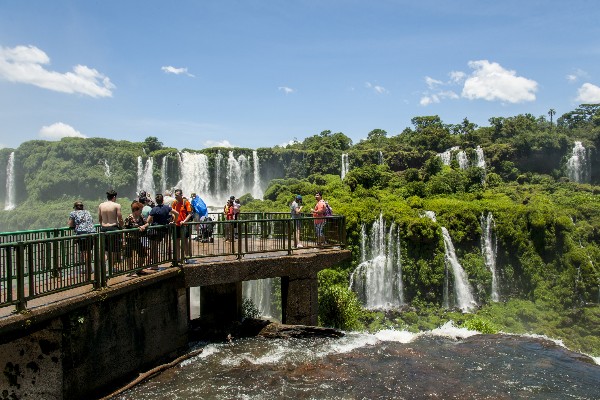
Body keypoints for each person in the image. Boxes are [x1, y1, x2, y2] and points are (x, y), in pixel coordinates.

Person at [146, 193, 178, 265]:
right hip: (164, 230)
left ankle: (155, 264)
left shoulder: (154, 209)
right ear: (163, 200)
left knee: (154, 248)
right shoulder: (167, 208)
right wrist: (174, 222)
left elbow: (148, 220)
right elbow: (177, 213)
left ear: (156, 201)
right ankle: (170, 260)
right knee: (164, 244)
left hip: (155, 230)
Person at [68, 201, 95, 275]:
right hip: (91, 233)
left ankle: (88, 269)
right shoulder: (87, 212)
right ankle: (89, 268)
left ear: (75, 207)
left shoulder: (73, 213)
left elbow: (70, 224)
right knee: (89, 251)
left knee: (84, 252)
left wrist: (75, 225)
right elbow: (91, 221)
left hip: (82, 234)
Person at [98, 189, 124, 264]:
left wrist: (102, 226)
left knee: (105, 250)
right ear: (114, 197)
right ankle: (111, 269)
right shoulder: (116, 205)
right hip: (113, 228)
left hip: (104, 228)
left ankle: (102, 267)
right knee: (113, 250)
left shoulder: (101, 205)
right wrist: (122, 227)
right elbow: (120, 218)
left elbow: (100, 218)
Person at [123, 201, 149, 272]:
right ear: (135, 210)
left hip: (137, 239)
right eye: (140, 210)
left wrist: (143, 226)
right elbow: (124, 230)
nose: (141, 211)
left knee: (142, 254)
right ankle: (131, 271)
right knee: (129, 256)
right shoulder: (129, 218)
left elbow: (147, 223)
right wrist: (124, 241)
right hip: (129, 239)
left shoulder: (141, 216)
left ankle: (139, 269)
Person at [172, 189, 193, 263]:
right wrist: (173, 220)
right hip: (176, 225)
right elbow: (172, 212)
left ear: (181, 195)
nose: (176, 196)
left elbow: (190, 213)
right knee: (177, 241)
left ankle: (186, 257)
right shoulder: (174, 203)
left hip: (183, 225)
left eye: (177, 195)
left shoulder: (185, 202)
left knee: (185, 242)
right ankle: (178, 258)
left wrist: (184, 221)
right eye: (175, 195)